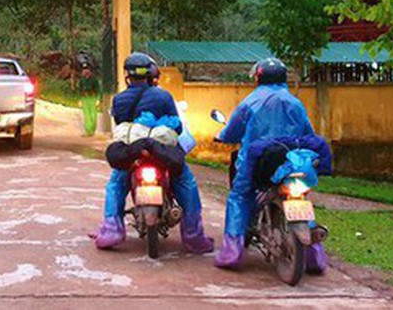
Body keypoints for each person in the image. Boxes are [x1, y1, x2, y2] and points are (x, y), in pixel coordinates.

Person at [213, 58, 329, 273]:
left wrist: (221, 135)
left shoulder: (250, 102)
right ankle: (315, 259)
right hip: (291, 162)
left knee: (240, 197)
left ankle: (232, 253)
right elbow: (308, 134)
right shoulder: (295, 103)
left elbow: (231, 132)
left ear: (258, 77)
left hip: (258, 163)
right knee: (302, 198)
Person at [90, 52, 214, 254]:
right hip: (161, 155)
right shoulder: (163, 96)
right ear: (151, 73)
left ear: (127, 75)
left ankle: (112, 230)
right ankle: (193, 236)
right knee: (186, 182)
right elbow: (178, 128)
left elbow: (121, 127)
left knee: (116, 184)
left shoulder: (119, 99)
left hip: (133, 155)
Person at [77, 66, 100, 136]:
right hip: (85, 98)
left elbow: (98, 90)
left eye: (87, 70)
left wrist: (98, 99)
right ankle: (88, 131)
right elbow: (80, 90)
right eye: (84, 70)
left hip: (92, 98)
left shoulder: (94, 80)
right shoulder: (82, 80)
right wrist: (80, 99)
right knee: (86, 115)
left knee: (93, 115)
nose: (85, 72)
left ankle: (92, 130)